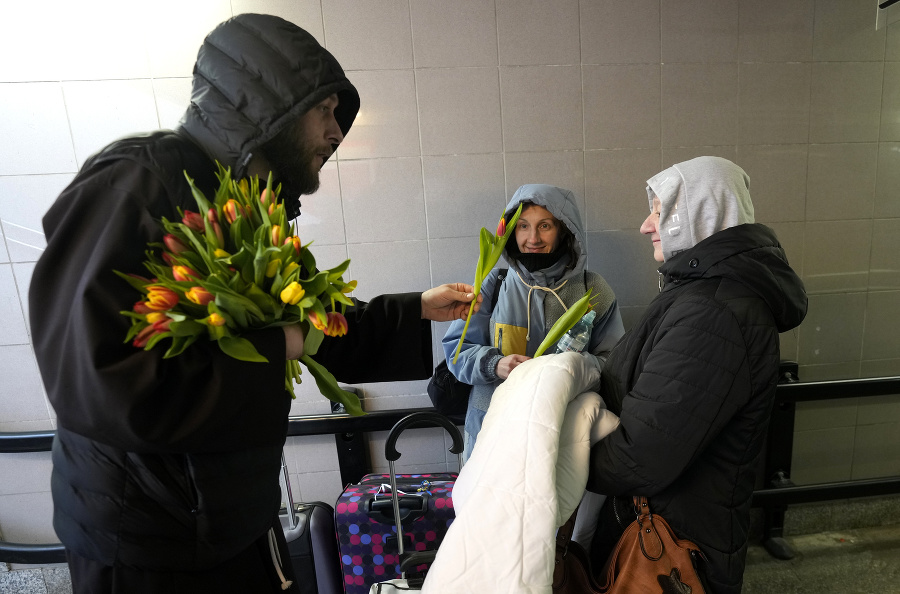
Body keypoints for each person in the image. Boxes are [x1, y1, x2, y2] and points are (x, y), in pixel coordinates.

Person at [28, 14, 479, 594]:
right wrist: (278, 344)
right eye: (325, 112)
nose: (337, 134)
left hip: (230, 523)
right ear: (273, 107)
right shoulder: (136, 185)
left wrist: (416, 307)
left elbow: (313, 325)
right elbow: (96, 378)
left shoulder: (249, 209)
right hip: (149, 547)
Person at [586, 156, 808, 593]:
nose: (646, 225)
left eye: (658, 211)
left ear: (698, 213)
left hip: (674, 553)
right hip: (665, 534)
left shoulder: (714, 313)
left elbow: (641, 457)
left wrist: (550, 463)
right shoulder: (700, 294)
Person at [442, 184, 625, 461]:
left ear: (564, 229)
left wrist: (569, 369)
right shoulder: (494, 284)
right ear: (511, 231)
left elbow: (614, 361)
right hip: (492, 431)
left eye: (545, 226)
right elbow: (457, 350)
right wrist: (495, 364)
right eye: (523, 226)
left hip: (563, 432)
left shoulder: (592, 289)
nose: (532, 238)